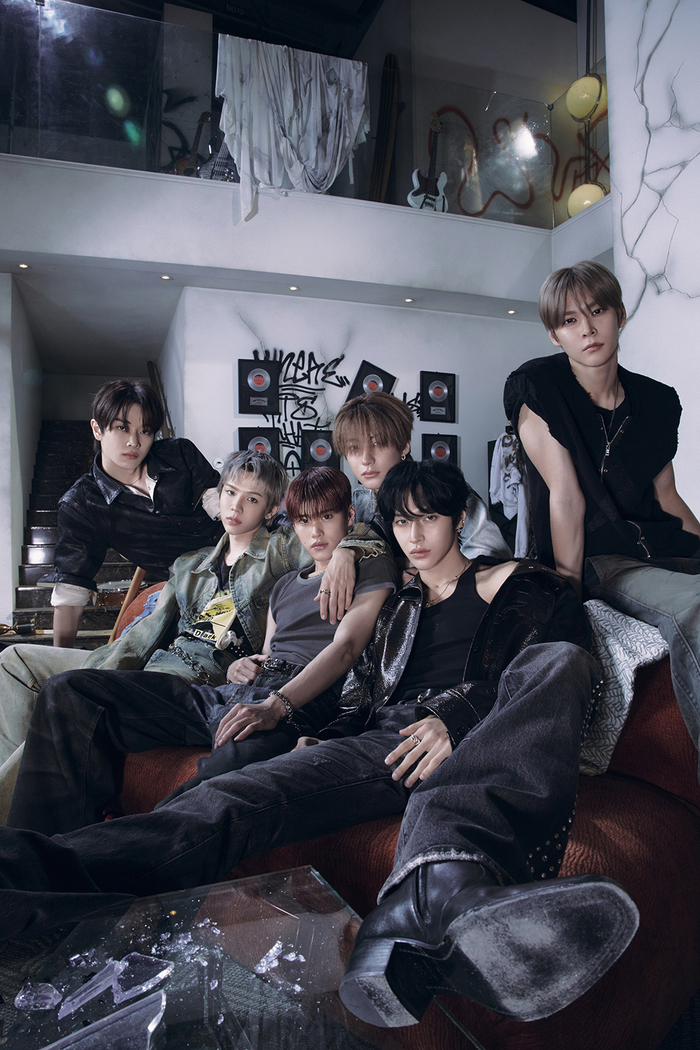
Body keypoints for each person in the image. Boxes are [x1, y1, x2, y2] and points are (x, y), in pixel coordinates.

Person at [0, 460, 637, 1029]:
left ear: (460, 518)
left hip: (457, 740)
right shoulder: (399, 605)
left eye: (430, 519)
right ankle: (22, 881)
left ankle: (441, 893)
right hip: (379, 745)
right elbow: (362, 692)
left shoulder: (521, 583)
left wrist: (457, 717)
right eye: (402, 522)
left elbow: (555, 666)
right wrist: (319, 737)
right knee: (226, 801)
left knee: (562, 661)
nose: (415, 536)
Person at [8, 465, 398, 832]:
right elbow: (266, 654)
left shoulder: (369, 565)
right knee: (70, 691)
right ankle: (28, 856)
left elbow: (347, 648)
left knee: (198, 799)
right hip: (233, 692)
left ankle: (84, 859)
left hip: (296, 703)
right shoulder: (281, 585)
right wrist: (237, 666)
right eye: (304, 521)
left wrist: (276, 705)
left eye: (327, 517)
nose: (316, 532)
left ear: (348, 516)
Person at [504, 260, 700, 764]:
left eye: (597, 312)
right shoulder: (539, 389)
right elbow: (567, 498)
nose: (587, 329)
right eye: (570, 320)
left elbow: (667, 497)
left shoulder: (656, 401)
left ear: (620, 315)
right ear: (554, 335)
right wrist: (569, 599)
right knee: (696, 605)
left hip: (663, 546)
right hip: (604, 558)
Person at [44, 379, 223, 648]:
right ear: (97, 429)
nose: (134, 442)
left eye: (145, 431)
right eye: (121, 427)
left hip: (239, 560)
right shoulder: (81, 504)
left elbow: (226, 510)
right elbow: (70, 593)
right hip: (188, 589)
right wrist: (59, 660)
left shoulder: (180, 453)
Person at [332, 390, 511, 560]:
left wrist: (417, 573)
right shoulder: (358, 502)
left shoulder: (445, 490)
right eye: (354, 448)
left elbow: (491, 558)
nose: (366, 459)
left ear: (404, 446)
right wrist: (345, 552)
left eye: (378, 443)